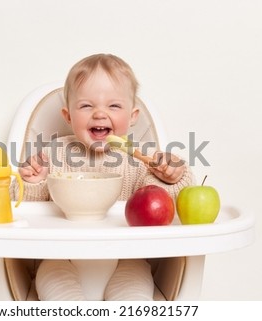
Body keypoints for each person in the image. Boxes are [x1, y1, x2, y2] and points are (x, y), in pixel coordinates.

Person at [11, 53, 193, 300]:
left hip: (127, 257)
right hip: (61, 255)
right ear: (68, 116)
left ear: (132, 117)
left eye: (114, 106)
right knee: (53, 276)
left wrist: (172, 177)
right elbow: (19, 210)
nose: (99, 114)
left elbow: (168, 205)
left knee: (135, 292)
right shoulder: (53, 154)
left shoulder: (142, 161)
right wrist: (34, 182)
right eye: (86, 106)